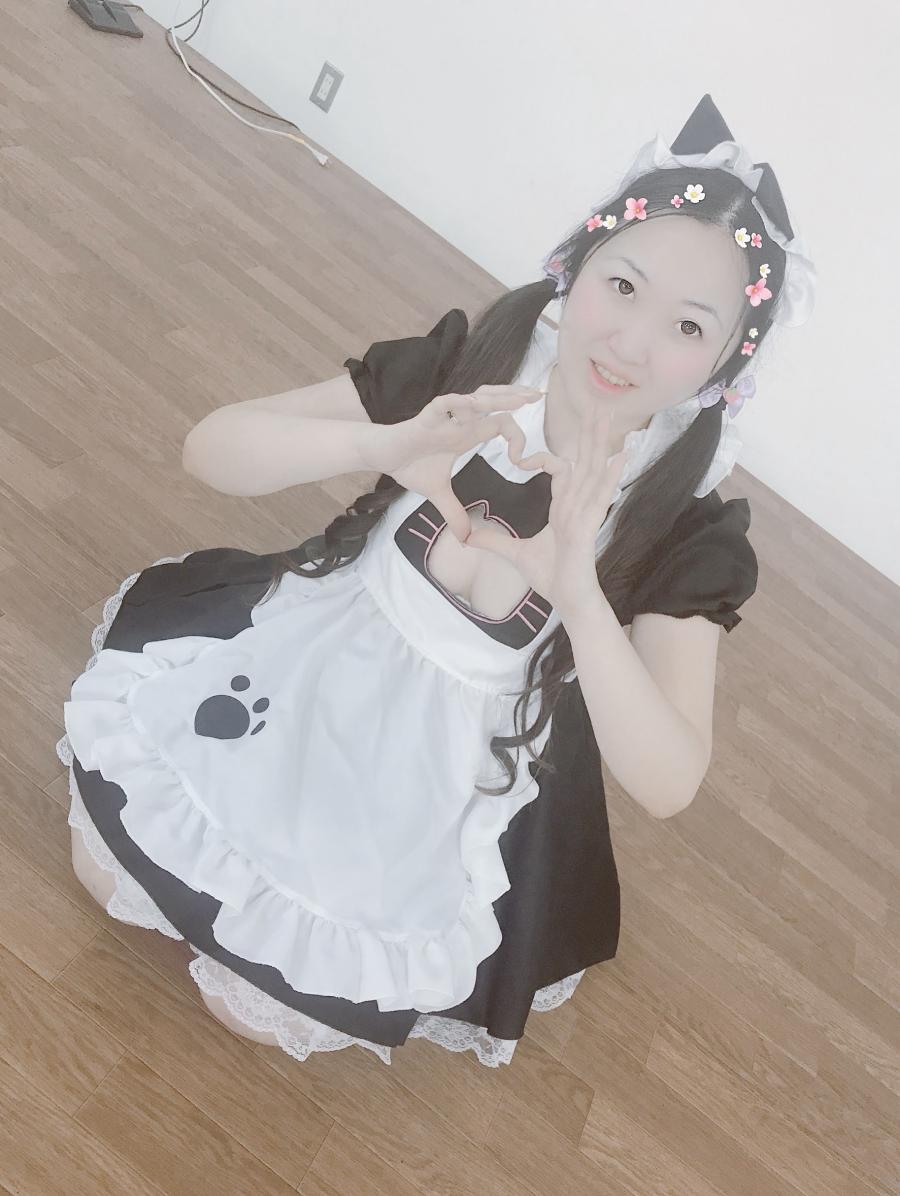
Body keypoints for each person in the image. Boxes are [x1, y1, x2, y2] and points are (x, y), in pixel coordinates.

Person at [61, 94, 815, 1068]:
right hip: (310, 667)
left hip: (441, 772)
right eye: (623, 285)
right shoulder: (476, 362)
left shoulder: (682, 520)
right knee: (101, 867)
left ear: (724, 364)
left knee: (257, 1007)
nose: (631, 341)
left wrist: (582, 595)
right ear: (578, 262)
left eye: (686, 325)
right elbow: (211, 448)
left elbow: (669, 780)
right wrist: (380, 444)